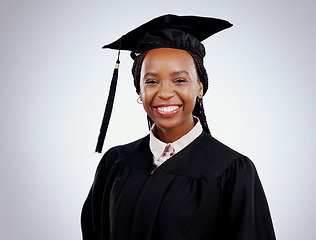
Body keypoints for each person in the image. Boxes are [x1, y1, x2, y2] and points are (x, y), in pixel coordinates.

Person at [81, 14, 276, 240]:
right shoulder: (115, 162)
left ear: (200, 87)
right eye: (151, 81)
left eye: (179, 80)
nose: (164, 93)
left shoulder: (232, 170)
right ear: (139, 90)